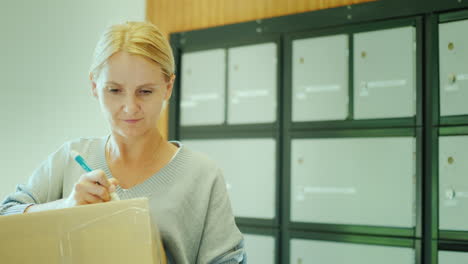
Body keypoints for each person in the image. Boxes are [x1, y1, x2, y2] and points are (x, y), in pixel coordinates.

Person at [0, 21, 246, 264]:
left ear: (168, 87)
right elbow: (6, 215)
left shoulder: (202, 175)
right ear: (95, 86)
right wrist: (67, 206)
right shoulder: (70, 158)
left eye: (145, 91)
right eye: (114, 90)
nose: (130, 107)